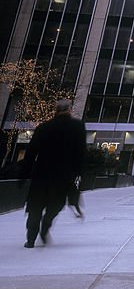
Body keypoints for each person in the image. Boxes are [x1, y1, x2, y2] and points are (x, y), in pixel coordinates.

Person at [21, 98, 86, 248]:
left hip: (41, 173)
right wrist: (79, 173)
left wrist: (24, 173)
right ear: (69, 109)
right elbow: (81, 153)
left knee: (35, 206)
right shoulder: (77, 127)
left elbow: (31, 152)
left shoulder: (43, 127)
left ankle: (30, 239)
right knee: (55, 205)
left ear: (56, 110)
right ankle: (45, 226)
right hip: (63, 175)